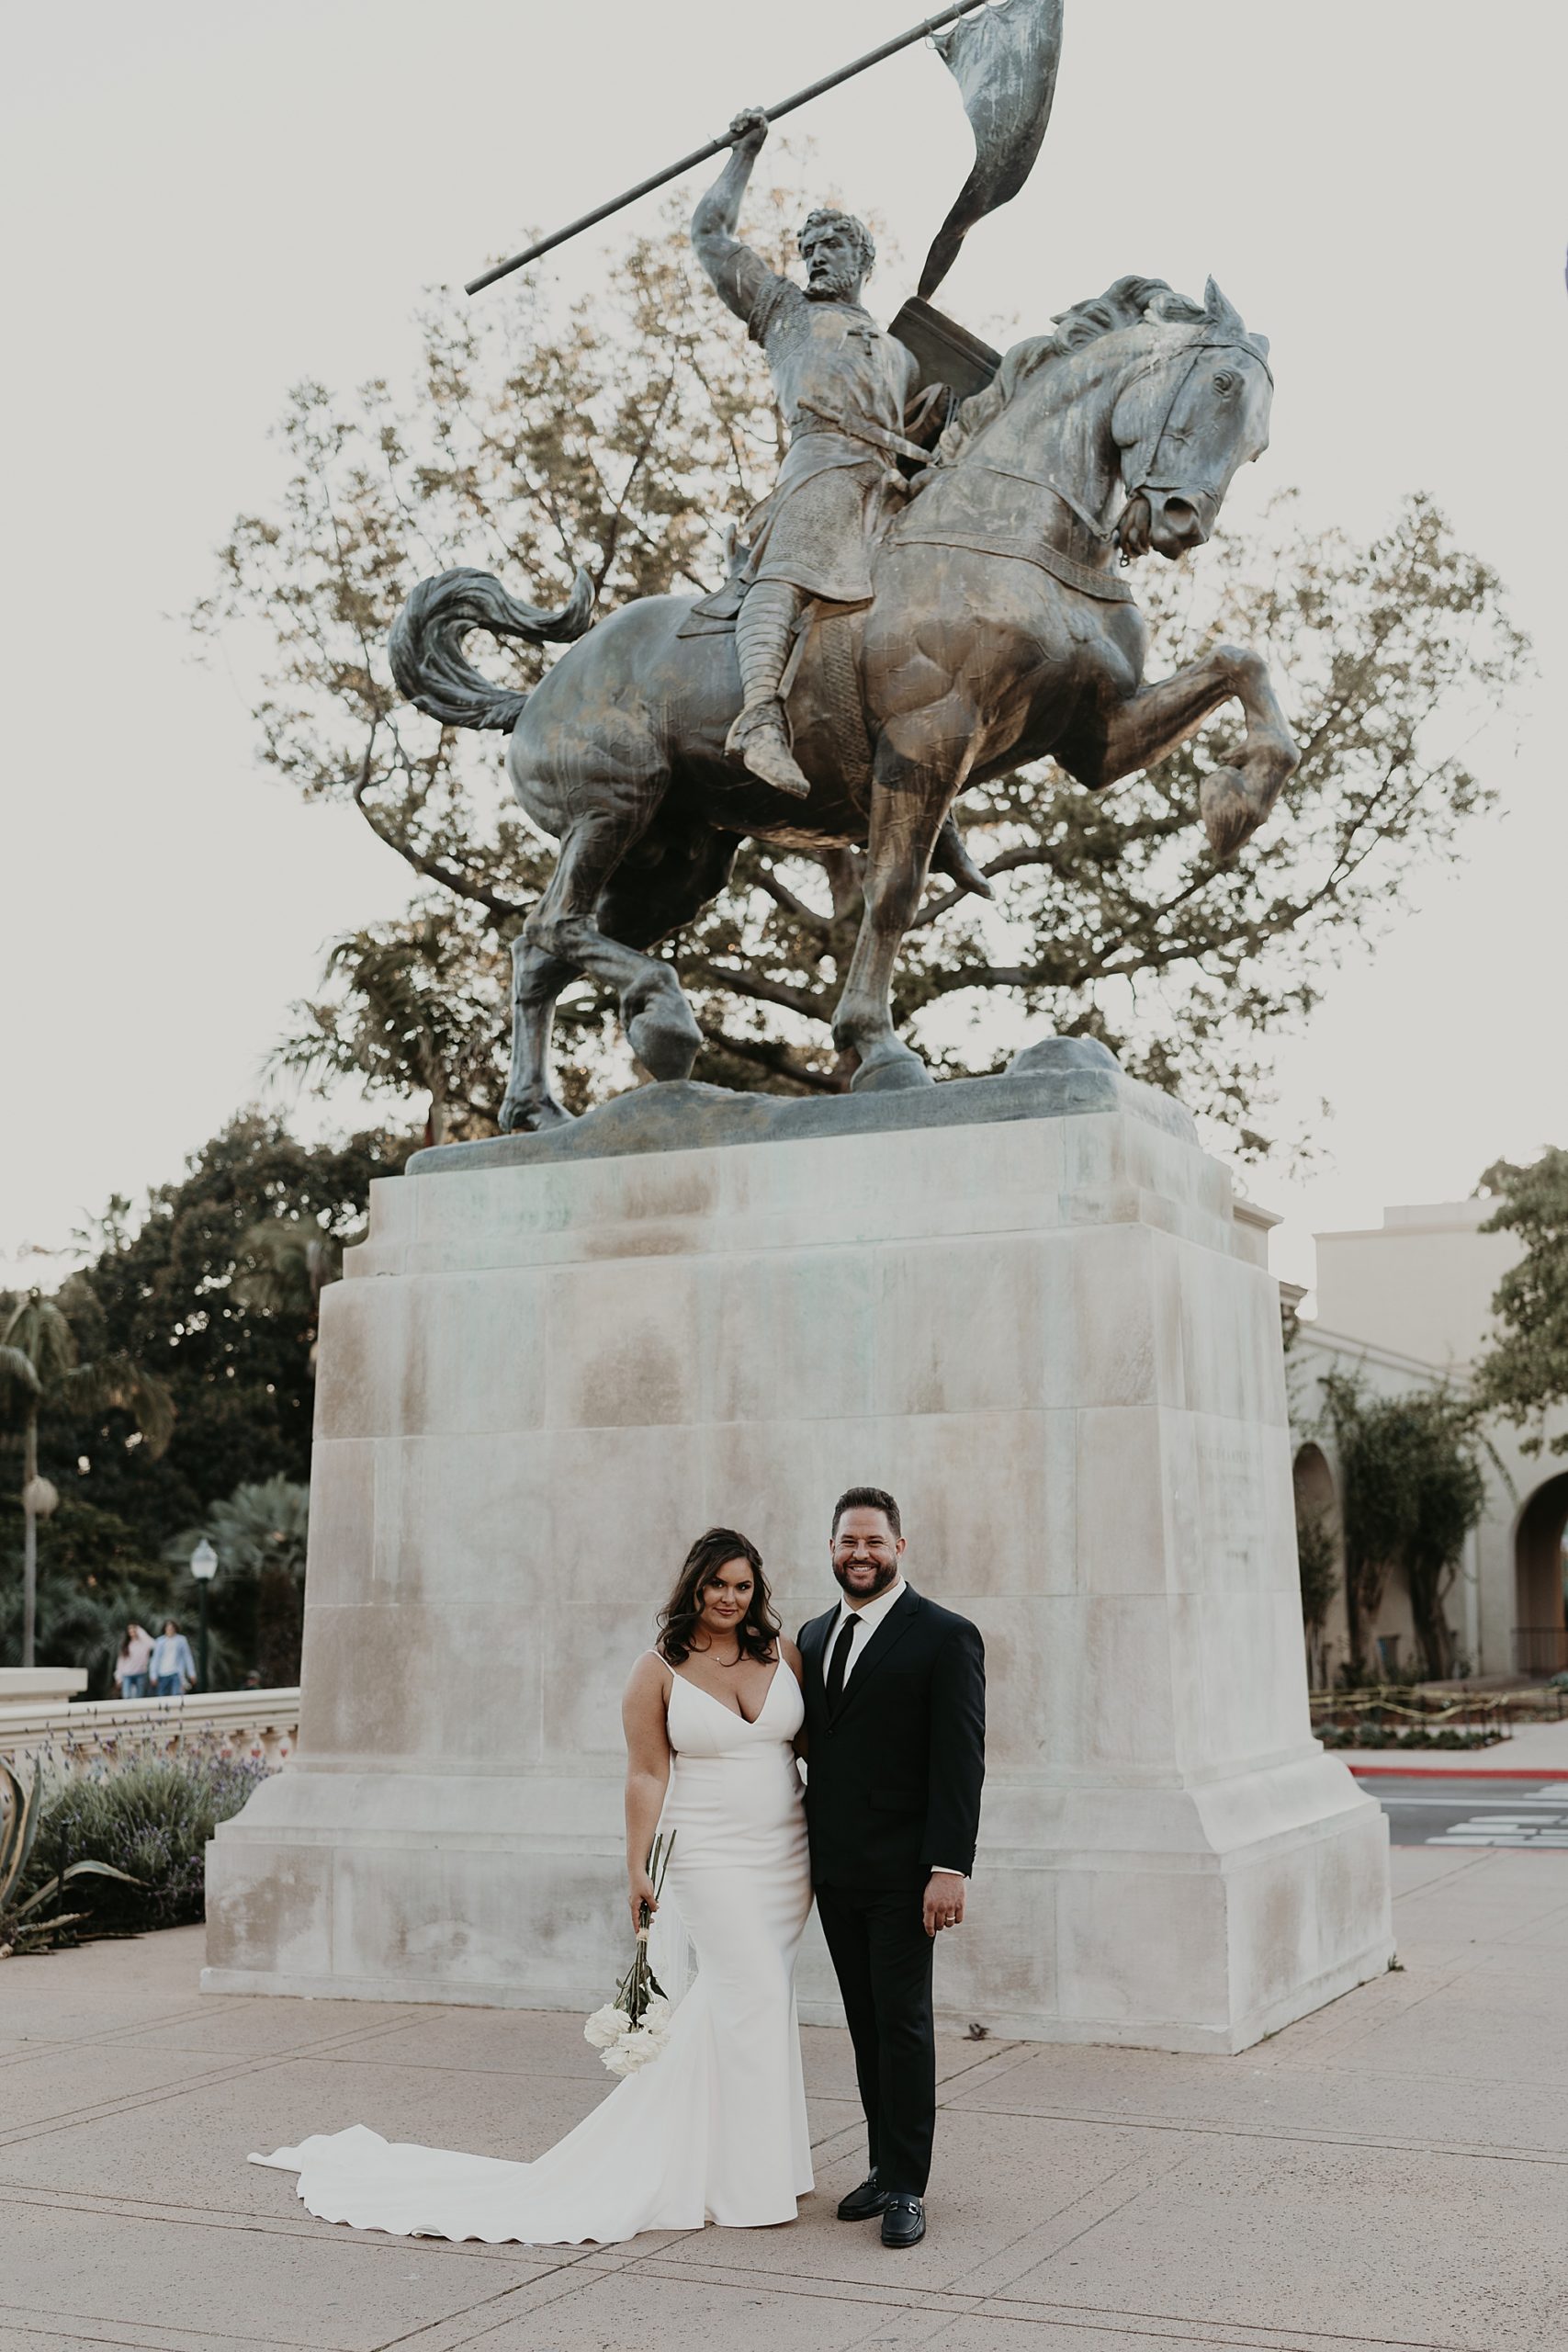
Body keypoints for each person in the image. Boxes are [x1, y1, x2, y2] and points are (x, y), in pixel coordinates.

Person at [251, 1528, 814, 2243]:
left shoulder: (783, 1654)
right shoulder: (658, 1669)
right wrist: (635, 1865)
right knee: (750, 1991)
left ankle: (757, 2163)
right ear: (693, 1587)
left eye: (742, 1585)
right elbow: (646, 1773)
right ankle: (744, 2186)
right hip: (706, 1854)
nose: (730, 1598)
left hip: (785, 1855)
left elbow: (809, 1748)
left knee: (758, 2003)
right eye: (717, 1585)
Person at [690, 107, 946, 800]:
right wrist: (744, 153)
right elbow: (709, 235)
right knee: (787, 573)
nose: (816, 255)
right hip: (821, 468)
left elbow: (919, 436)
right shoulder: (786, 314)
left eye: (831, 243)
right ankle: (759, 719)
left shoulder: (898, 353)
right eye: (808, 246)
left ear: (862, 258)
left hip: (889, 488)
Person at [797, 1486, 986, 2250]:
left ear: (898, 1548)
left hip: (909, 1874)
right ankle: (880, 2166)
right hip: (834, 1871)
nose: (860, 1555)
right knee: (865, 2023)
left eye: (873, 1542)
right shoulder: (811, 1636)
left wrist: (949, 1865)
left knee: (903, 2025)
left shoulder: (944, 1635)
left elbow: (959, 1760)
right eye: (847, 1542)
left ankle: (907, 2185)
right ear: (832, 1548)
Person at [148, 1620, 196, 1696]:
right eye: (168, 1628)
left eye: (172, 1628)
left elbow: (187, 1657)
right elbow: (155, 1659)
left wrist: (192, 1673)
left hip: (176, 1673)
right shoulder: (160, 1641)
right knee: (162, 1696)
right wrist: (153, 1675)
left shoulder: (181, 1640)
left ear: (175, 1629)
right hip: (162, 1673)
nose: (170, 1630)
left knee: (177, 1695)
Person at [114, 1623, 153, 1699]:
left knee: (139, 1697)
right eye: (130, 1630)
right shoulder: (126, 1645)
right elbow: (120, 1663)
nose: (132, 1631)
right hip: (127, 1675)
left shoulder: (144, 1643)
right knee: (126, 1696)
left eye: (134, 1629)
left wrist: (141, 1631)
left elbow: (153, 1644)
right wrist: (118, 1678)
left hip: (140, 1674)